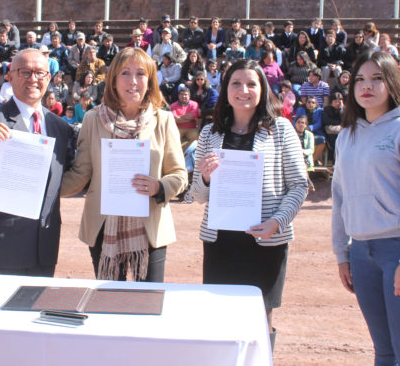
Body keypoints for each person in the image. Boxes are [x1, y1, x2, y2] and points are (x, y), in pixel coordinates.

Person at [190, 58, 308, 351]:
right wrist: (204, 178)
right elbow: (197, 195)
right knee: (221, 318)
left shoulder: (280, 129)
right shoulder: (209, 134)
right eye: (236, 83)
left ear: (263, 89)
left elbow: (299, 184)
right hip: (221, 242)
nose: (244, 90)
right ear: (226, 88)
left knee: (260, 318)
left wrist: (277, 222)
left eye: (251, 84)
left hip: (265, 239)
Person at [332, 51, 400, 366]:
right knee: (384, 353)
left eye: (377, 79)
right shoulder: (347, 136)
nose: (367, 86)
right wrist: (342, 253)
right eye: (360, 79)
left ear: (393, 83)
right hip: (362, 254)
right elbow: (339, 197)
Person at [61, 47, 188, 282]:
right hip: (103, 225)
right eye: (125, 73)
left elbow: (179, 174)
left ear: (150, 80)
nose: (133, 81)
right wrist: (45, 190)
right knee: (109, 303)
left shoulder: (164, 120)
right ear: (113, 80)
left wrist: (159, 187)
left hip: (151, 228)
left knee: (148, 304)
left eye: (141, 73)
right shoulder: (92, 119)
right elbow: (81, 173)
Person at [0, 48, 75, 276]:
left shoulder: (59, 127)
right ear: (10, 76)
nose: (33, 79)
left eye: (40, 73)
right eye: (25, 72)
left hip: (43, 249)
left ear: (49, 78)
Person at [171, 84, 201, 151]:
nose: (183, 96)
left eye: (185, 94)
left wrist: (180, 117)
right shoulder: (173, 105)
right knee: (173, 138)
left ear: (189, 96)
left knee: (195, 137)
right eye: (181, 94)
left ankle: (187, 151)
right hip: (178, 128)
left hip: (192, 128)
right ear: (178, 96)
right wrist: (188, 118)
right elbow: (175, 119)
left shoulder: (194, 104)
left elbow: (192, 116)